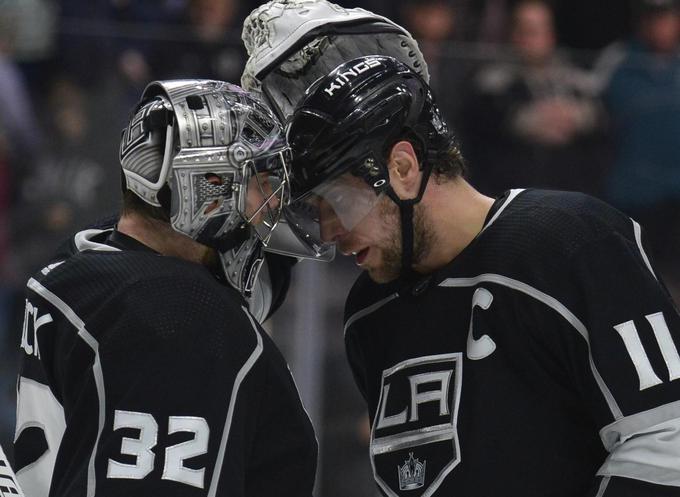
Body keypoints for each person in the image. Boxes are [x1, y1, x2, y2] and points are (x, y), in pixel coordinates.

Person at [283, 55, 680, 496]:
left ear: (402, 168)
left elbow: (665, 438)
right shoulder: (369, 312)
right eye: (315, 213)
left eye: (338, 201)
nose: (331, 231)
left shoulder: (574, 240)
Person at [13, 79, 317, 497]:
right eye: (255, 182)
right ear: (205, 187)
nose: (266, 207)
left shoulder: (82, 263)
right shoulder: (178, 313)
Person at [595, 0, 680, 297]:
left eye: (666, 16)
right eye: (652, 16)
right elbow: (590, 105)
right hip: (632, 193)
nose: (659, 25)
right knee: (638, 285)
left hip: (676, 195)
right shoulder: (618, 58)